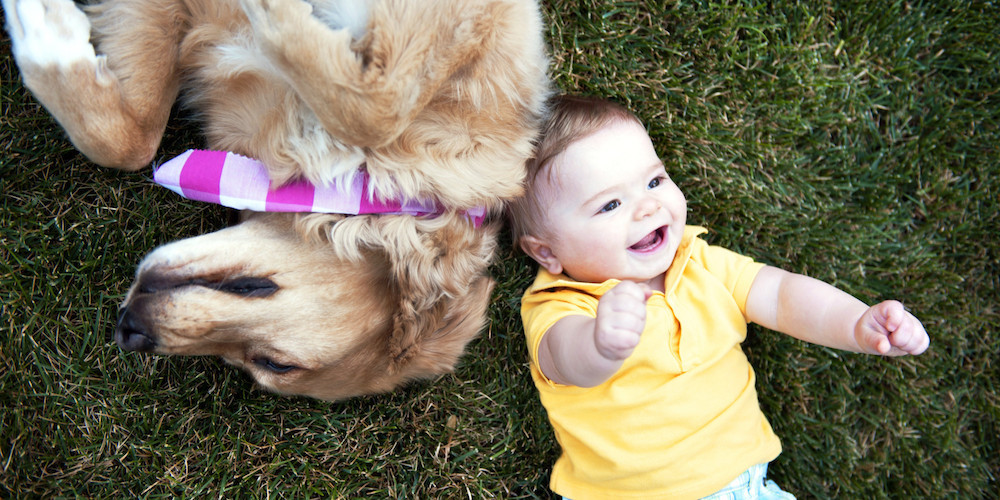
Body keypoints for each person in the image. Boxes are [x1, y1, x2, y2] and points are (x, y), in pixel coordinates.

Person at [507, 95, 930, 499]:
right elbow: (564, 358)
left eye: (654, 181)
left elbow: (782, 296)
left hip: (746, 487)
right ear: (546, 252)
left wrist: (856, 323)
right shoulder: (562, 303)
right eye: (610, 204)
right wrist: (600, 343)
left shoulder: (701, 264)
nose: (648, 207)